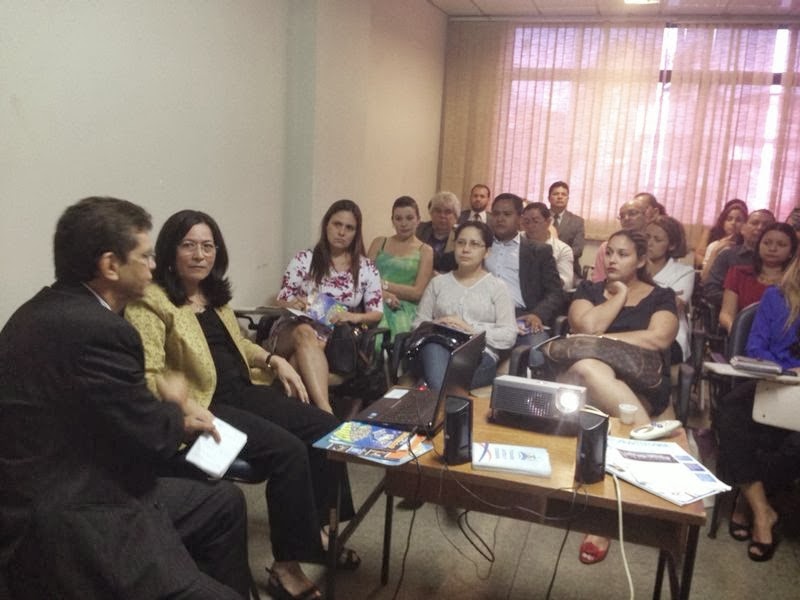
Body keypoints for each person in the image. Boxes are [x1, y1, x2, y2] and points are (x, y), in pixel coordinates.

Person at [0, 197, 250, 599]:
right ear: (111, 265)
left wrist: (169, 414)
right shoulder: (100, 331)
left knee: (222, 502)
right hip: (72, 515)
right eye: (145, 255)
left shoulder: (41, 310)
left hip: (70, 478)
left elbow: (112, 413)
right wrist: (175, 406)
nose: (153, 265)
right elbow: (150, 439)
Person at [126, 209, 362, 600]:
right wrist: (180, 402)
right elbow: (147, 372)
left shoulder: (213, 294)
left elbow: (238, 344)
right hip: (206, 404)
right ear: (170, 251)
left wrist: (272, 359)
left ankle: (321, 533)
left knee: (326, 429)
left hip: (244, 390)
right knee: (288, 452)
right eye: (189, 246)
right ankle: (286, 568)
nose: (200, 255)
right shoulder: (151, 301)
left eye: (208, 246)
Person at [562, 230, 678, 566]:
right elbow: (585, 327)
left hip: (640, 384)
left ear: (641, 260)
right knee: (588, 368)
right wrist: (619, 295)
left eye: (622, 254)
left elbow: (659, 339)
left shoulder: (661, 296)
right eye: (609, 252)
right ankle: (648, 443)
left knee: (590, 364)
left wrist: (604, 340)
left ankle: (604, 518)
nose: (612, 259)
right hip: (585, 385)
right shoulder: (589, 290)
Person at [716, 258, 800, 562]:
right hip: (774, 382)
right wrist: (790, 370)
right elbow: (755, 348)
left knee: (793, 442)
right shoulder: (776, 297)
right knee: (731, 413)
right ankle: (763, 513)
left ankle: (748, 499)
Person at [273, 199, 383, 414]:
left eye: (349, 228)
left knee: (298, 361)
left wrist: (353, 317)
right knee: (305, 333)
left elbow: (376, 313)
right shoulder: (304, 259)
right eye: (337, 224)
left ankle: (300, 420)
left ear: (356, 233)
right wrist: (294, 303)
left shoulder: (366, 268)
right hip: (293, 328)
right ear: (326, 225)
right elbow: (282, 299)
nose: (341, 232)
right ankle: (327, 413)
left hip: (336, 336)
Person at [411, 221, 517, 390]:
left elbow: (509, 334)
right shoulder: (438, 283)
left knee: (441, 376)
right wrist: (436, 325)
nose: (466, 249)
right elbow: (417, 324)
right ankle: (441, 393)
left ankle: (433, 388)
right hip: (438, 348)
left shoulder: (497, 287)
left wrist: (469, 329)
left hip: (479, 355)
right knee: (432, 348)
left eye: (474, 244)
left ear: (487, 252)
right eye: (461, 243)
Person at [485, 194, 565, 370]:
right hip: (485, 316)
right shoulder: (480, 245)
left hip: (523, 316)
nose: (500, 219)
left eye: (507, 214)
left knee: (536, 356)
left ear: (519, 219)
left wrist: (537, 314)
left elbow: (555, 292)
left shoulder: (539, 251)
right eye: (496, 214)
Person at [366, 196, 433, 341]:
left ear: (418, 220)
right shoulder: (379, 242)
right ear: (392, 221)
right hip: (374, 301)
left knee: (393, 338)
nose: (404, 223)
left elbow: (417, 293)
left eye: (409, 218)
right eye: (398, 218)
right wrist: (383, 294)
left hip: (404, 309)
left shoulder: (425, 250)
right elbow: (363, 280)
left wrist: (383, 284)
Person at [718, 222, 798, 333]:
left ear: (791, 252)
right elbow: (726, 314)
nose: (772, 248)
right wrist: (737, 332)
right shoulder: (738, 273)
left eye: (781, 245)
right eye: (767, 243)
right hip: (743, 335)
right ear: (759, 246)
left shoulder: (795, 280)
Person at [702, 208, 776, 308]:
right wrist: (741, 302)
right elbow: (711, 290)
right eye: (754, 223)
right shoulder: (727, 256)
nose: (760, 228)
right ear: (743, 229)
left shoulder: (779, 260)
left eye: (766, 225)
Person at [646, 215, 695, 363]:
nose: (649, 243)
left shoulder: (684, 272)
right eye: (647, 237)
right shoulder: (634, 266)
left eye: (657, 240)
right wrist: (663, 296)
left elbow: (672, 307)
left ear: (671, 245)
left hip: (670, 337)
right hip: (634, 329)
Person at [591, 192, 660, 282]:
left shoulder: (654, 247)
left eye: (633, 213)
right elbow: (598, 281)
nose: (626, 218)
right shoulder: (607, 248)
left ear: (646, 216)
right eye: (622, 216)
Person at [522, 201, 575, 289]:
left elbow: (567, 281)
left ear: (548, 222)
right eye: (527, 222)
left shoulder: (562, 249)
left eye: (535, 221)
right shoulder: (515, 241)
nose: (530, 226)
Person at [695, 199, 748, 273]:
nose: (733, 223)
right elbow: (699, 257)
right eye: (729, 218)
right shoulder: (713, 240)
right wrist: (712, 261)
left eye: (738, 220)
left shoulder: (747, 243)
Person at [547, 181, 585, 279]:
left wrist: (557, 258)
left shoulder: (577, 221)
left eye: (563, 194)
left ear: (567, 199)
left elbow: (578, 250)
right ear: (549, 198)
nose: (560, 197)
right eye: (556, 194)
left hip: (568, 268)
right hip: (542, 265)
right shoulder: (540, 218)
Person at [416, 191, 460, 273]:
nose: (442, 216)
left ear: (456, 216)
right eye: (438, 211)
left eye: (448, 212)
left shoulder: (460, 236)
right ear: (431, 213)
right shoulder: (419, 230)